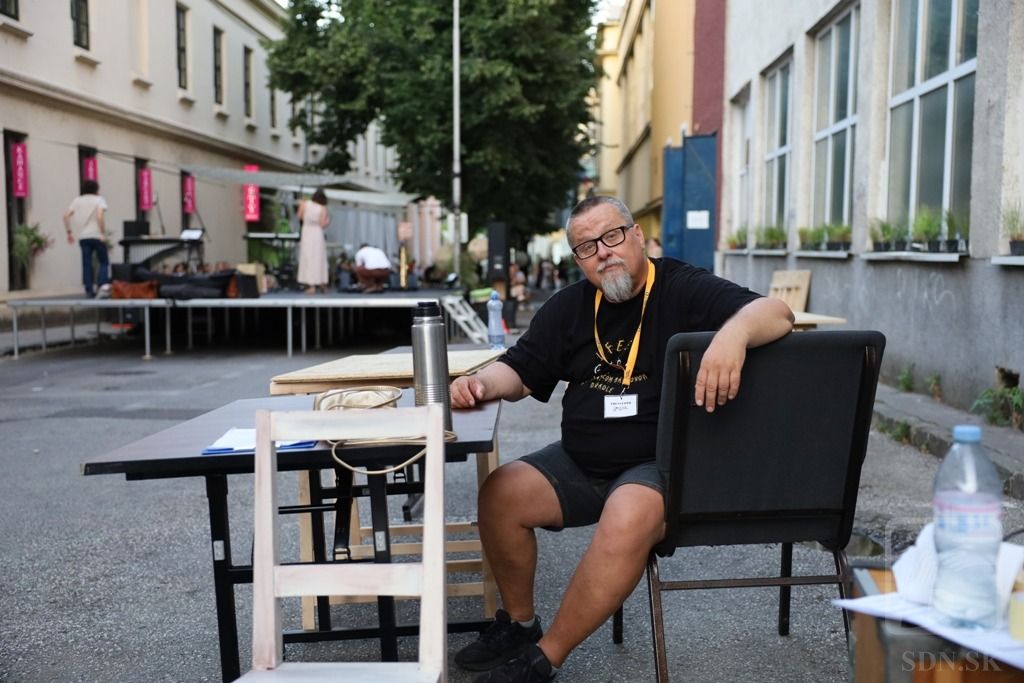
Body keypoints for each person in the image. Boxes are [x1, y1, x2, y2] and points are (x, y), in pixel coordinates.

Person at [449, 196, 793, 682]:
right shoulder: (569, 307)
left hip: (657, 465)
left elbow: (776, 312)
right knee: (501, 492)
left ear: (636, 236)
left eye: (611, 236)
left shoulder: (681, 287)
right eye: (587, 246)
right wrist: (482, 383)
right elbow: (521, 371)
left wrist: (731, 336)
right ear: (578, 259)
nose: (604, 252)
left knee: (626, 514)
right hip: (582, 462)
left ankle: (543, 659)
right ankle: (520, 624)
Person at [63, 179, 110, 298]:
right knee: (104, 261)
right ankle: (102, 285)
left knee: (86, 263)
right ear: (96, 189)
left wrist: (69, 232)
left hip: (83, 237)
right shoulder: (99, 200)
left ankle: (89, 290)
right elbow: (100, 217)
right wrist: (102, 233)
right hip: (97, 235)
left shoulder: (76, 200)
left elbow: (66, 216)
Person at [296, 188, 331, 294]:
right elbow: (322, 224)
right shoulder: (322, 208)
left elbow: (299, 216)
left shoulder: (305, 204)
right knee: (319, 258)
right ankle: (322, 283)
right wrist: (328, 221)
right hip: (317, 232)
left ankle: (311, 285)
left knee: (308, 258)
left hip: (307, 231)